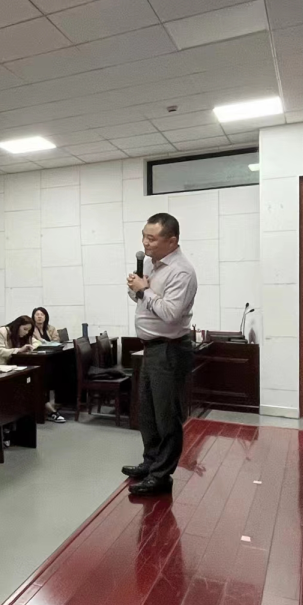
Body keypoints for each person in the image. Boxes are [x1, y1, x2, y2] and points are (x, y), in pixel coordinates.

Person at [123, 213, 198, 497]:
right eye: (144, 236)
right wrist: (136, 288)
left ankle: (161, 476)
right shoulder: (152, 265)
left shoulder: (181, 271)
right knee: (148, 412)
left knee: (166, 415)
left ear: (172, 240)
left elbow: (170, 313)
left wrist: (145, 291)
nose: (145, 243)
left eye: (152, 238)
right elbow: (142, 300)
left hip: (170, 349)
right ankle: (150, 462)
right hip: (151, 349)